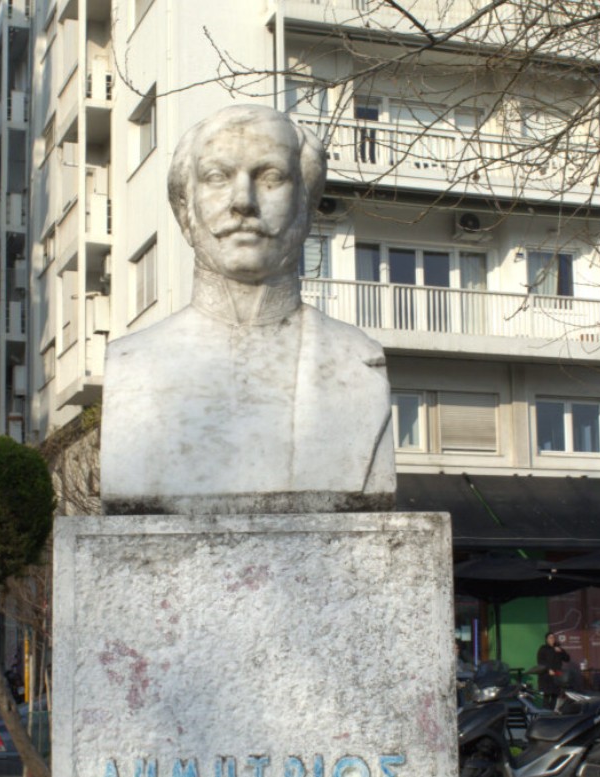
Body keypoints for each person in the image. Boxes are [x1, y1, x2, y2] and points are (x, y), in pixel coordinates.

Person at [100, 105, 395, 515]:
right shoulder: (132, 364)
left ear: (306, 208)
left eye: (271, 177)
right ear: (185, 212)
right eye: (217, 177)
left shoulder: (356, 361)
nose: (243, 202)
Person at [536, 632, 570, 709]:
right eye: (550, 638)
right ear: (547, 639)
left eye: (553, 638)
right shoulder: (543, 649)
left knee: (555, 694)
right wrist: (548, 669)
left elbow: (567, 659)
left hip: (557, 675)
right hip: (546, 676)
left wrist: (561, 651)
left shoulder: (558, 648)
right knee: (547, 694)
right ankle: (545, 711)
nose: (552, 639)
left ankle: (551, 711)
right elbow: (540, 662)